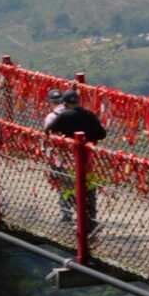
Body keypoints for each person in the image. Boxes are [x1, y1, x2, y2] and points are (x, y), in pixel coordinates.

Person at [46, 90, 106, 227]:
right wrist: (90, 138)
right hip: (88, 159)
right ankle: (91, 219)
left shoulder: (64, 115)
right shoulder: (89, 114)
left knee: (69, 188)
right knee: (89, 188)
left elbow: (48, 130)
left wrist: (62, 136)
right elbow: (102, 134)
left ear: (65, 104)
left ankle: (72, 217)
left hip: (68, 158)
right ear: (78, 101)